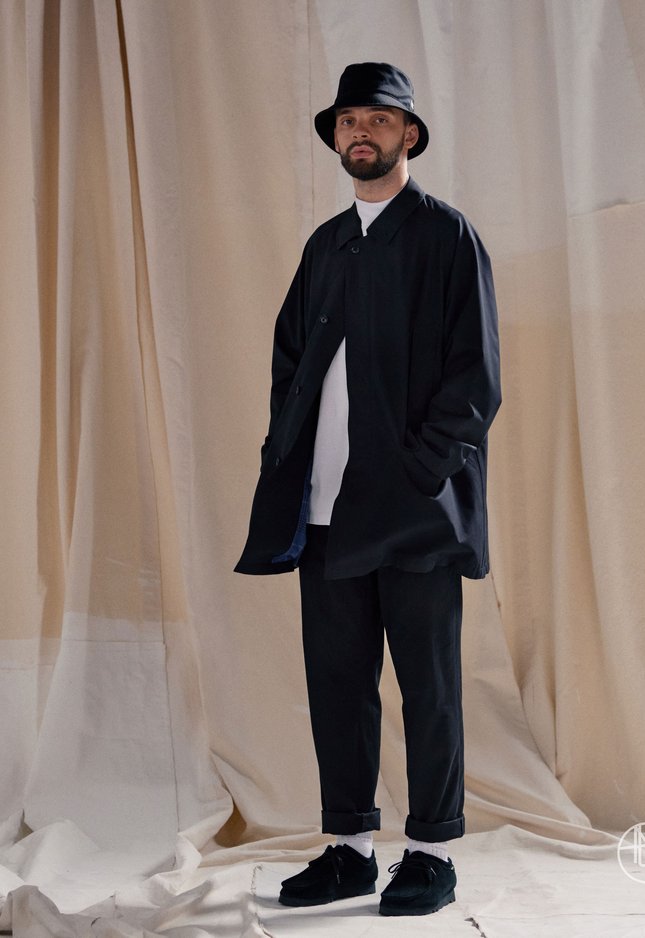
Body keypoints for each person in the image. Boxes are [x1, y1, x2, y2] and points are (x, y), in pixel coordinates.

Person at [234, 62, 501, 917]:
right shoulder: (326, 244)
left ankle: (431, 854)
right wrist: (287, 450)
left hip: (417, 511)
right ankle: (349, 850)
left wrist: (424, 471)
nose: (361, 132)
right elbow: (290, 358)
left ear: (408, 134)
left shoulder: (446, 236)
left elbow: (476, 377)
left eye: (378, 120)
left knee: (429, 686)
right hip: (324, 512)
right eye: (349, 120)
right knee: (339, 685)